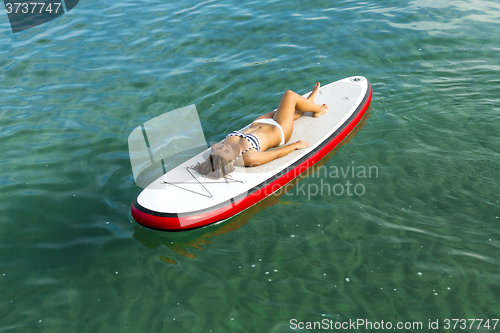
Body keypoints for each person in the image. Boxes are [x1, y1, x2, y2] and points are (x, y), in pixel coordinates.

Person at [193, 82, 329, 179]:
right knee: (289, 96)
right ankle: (318, 109)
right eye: (225, 151)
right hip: (280, 129)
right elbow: (275, 154)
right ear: (229, 162)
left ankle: (310, 100)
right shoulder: (248, 157)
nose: (224, 146)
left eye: (219, 149)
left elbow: (214, 159)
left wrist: (209, 164)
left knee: (292, 110)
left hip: (261, 122)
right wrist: (295, 145)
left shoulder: (217, 153)